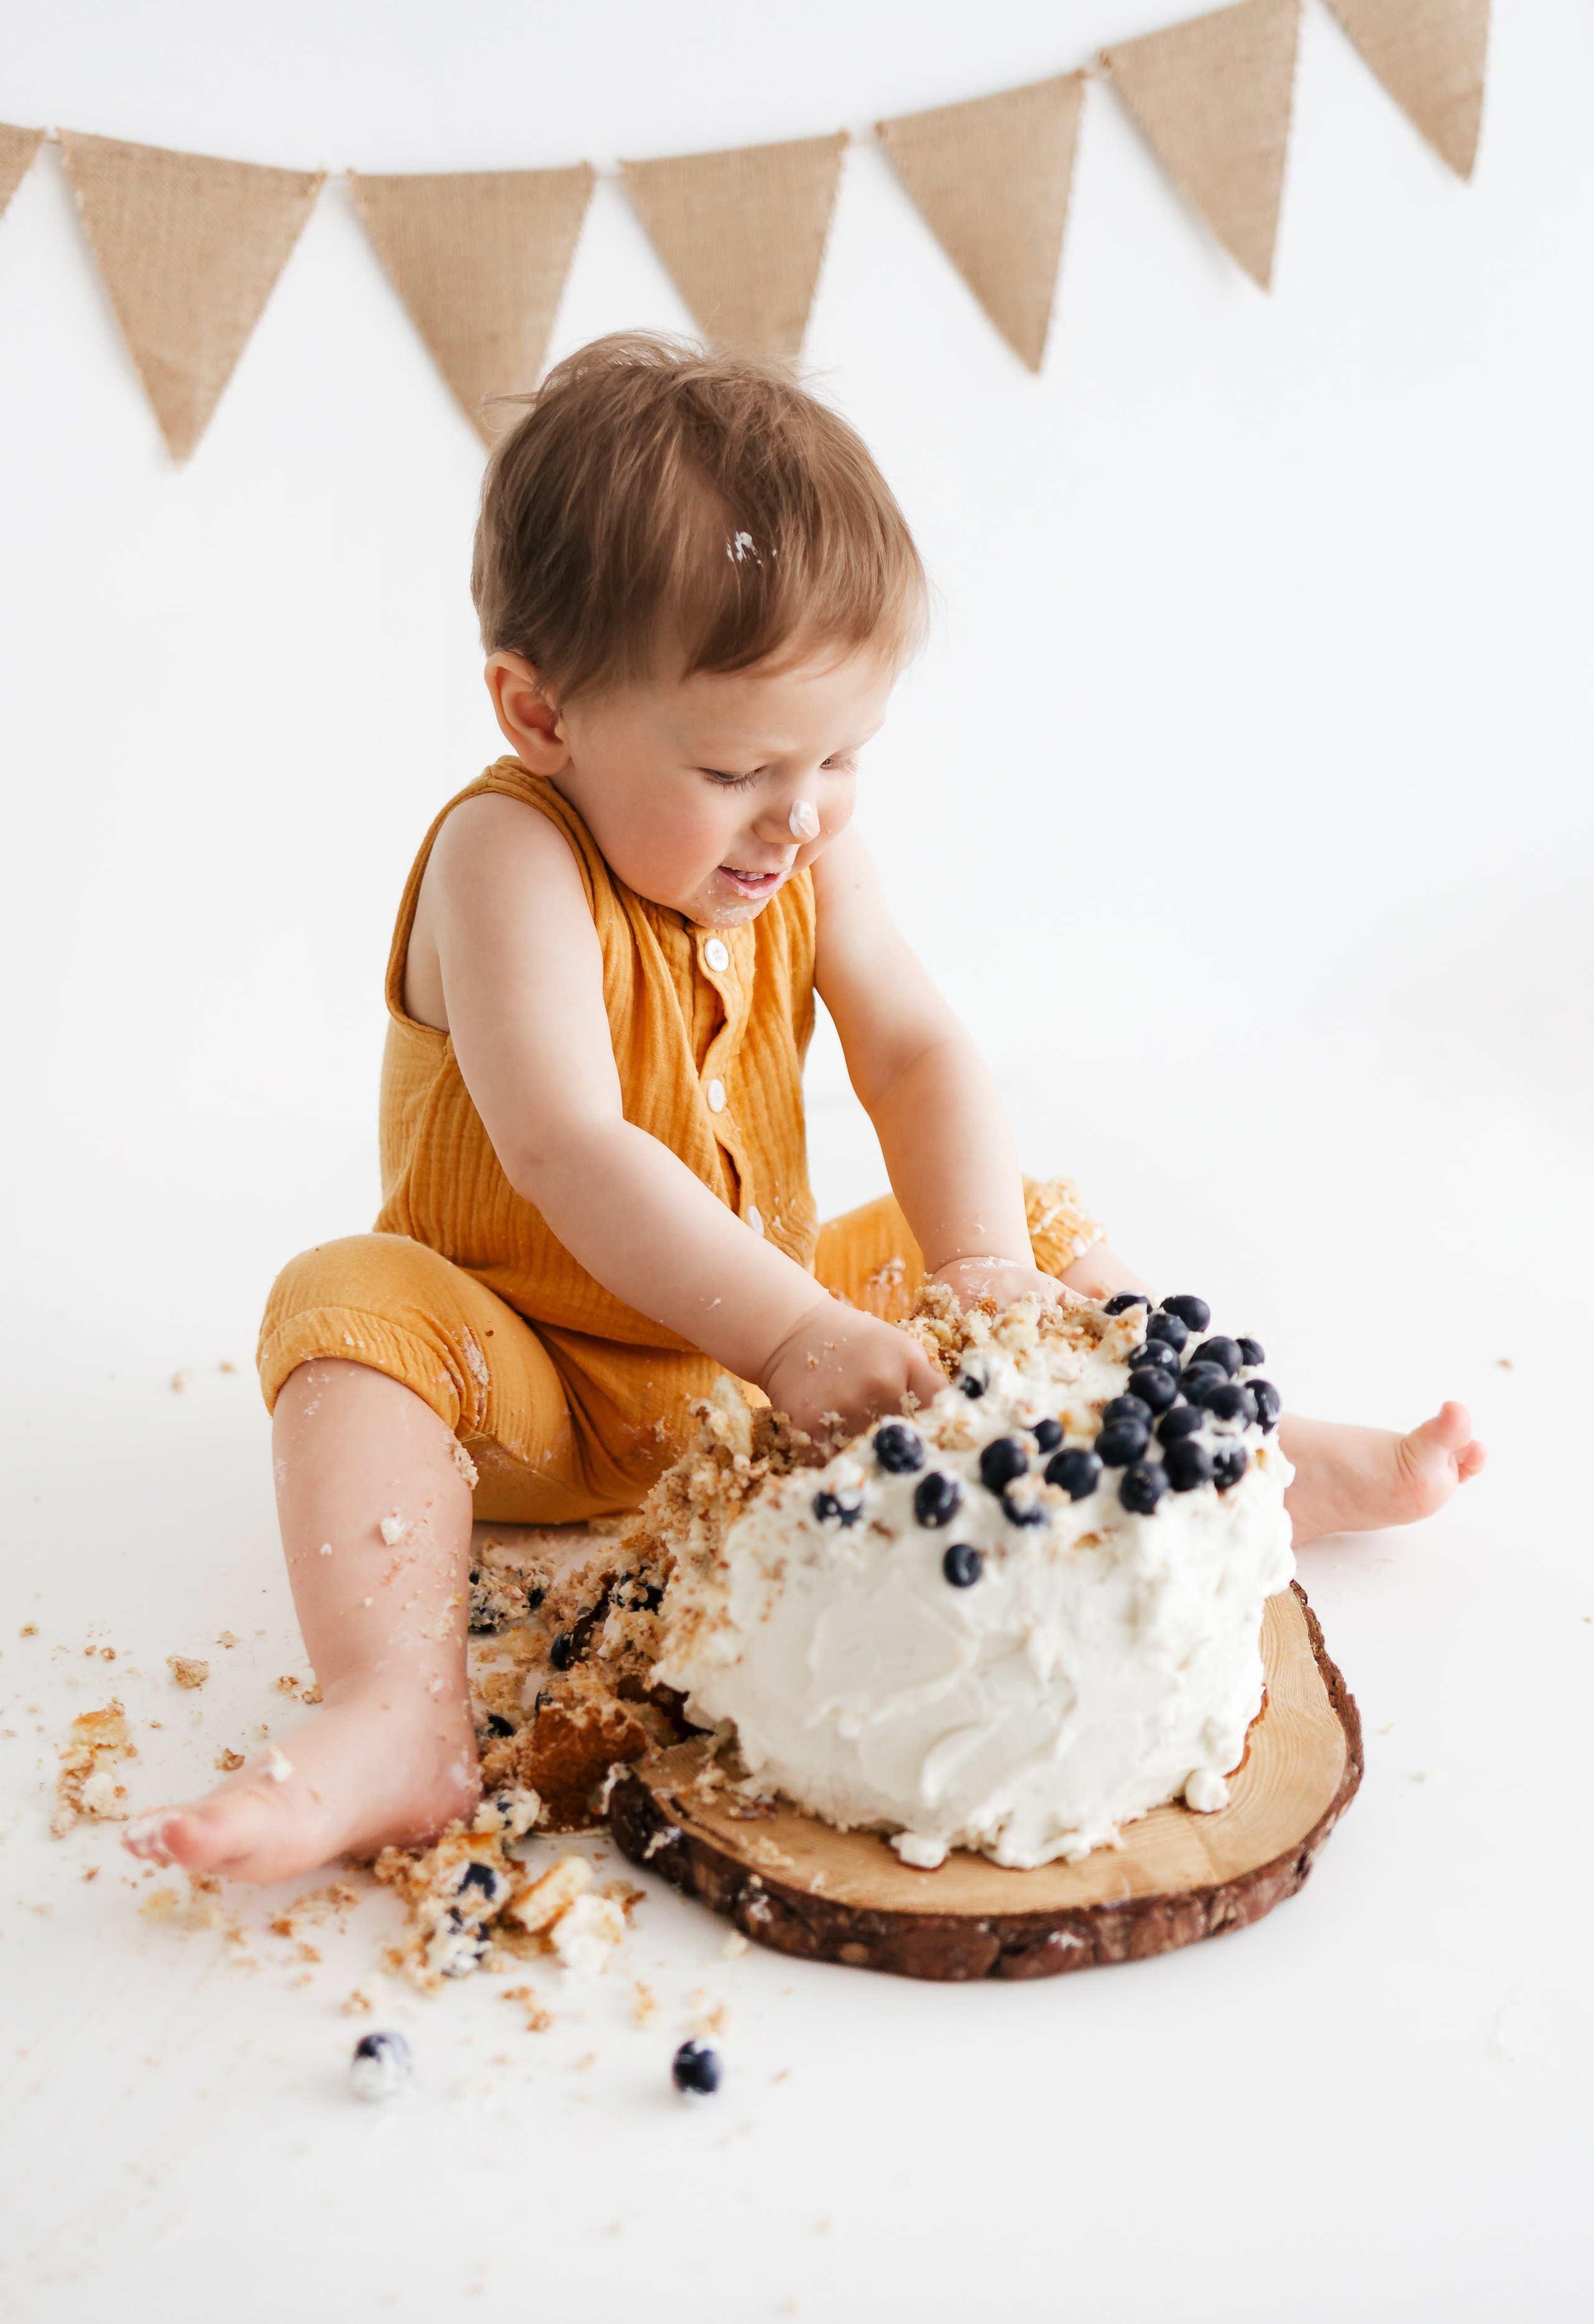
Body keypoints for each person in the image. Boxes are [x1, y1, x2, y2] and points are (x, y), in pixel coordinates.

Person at [125, 334, 1484, 1886]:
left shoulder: (799, 840)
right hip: (535, 1390)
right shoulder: (503, 862)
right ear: (539, 713)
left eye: (843, 754)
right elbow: (569, 1146)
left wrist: (978, 1278)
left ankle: (1227, 1470)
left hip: (764, 1368)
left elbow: (908, 1047)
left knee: (1017, 1212)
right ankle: (397, 1709)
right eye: (734, 766)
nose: (799, 812)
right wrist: (788, 1335)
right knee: (345, 1301)